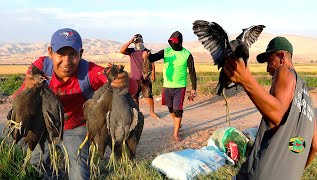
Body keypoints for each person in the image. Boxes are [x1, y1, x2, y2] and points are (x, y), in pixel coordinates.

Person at [14, 28, 137, 180]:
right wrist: (27, 88)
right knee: (36, 161)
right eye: (61, 54)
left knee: (79, 171)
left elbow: (130, 87)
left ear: (81, 54)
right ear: (50, 52)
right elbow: (18, 97)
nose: (66, 61)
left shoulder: (88, 71)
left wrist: (123, 80)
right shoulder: (40, 68)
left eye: (72, 54)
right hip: (45, 126)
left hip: (76, 127)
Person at [223, 36, 317, 179]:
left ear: (281, 57)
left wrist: (246, 79)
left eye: (269, 61)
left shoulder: (284, 70)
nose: (268, 69)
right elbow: (314, 147)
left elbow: (277, 115)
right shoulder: (309, 101)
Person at [143, 31, 197, 142]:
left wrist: (193, 88)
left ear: (180, 42)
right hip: (167, 85)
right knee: (171, 108)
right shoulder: (166, 51)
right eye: (171, 42)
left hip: (180, 86)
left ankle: (176, 132)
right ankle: (178, 122)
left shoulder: (187, 54)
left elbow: (192, 72)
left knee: (178, 109)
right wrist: (147, 56)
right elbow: (153, 58)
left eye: (175, 42)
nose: (173, 44)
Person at [120, 34, 159, 118]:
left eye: (139, 41)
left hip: (145, 78)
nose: (138, 42)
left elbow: (152, 62)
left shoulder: (146, 51)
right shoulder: (131, 51)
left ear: (142, 41)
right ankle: (137, 113)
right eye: (136, 41)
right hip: (134, 79)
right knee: (134, 97)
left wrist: (153, 74)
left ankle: (152, 112)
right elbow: (122, 51)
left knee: (148, 95)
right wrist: (130, 41)